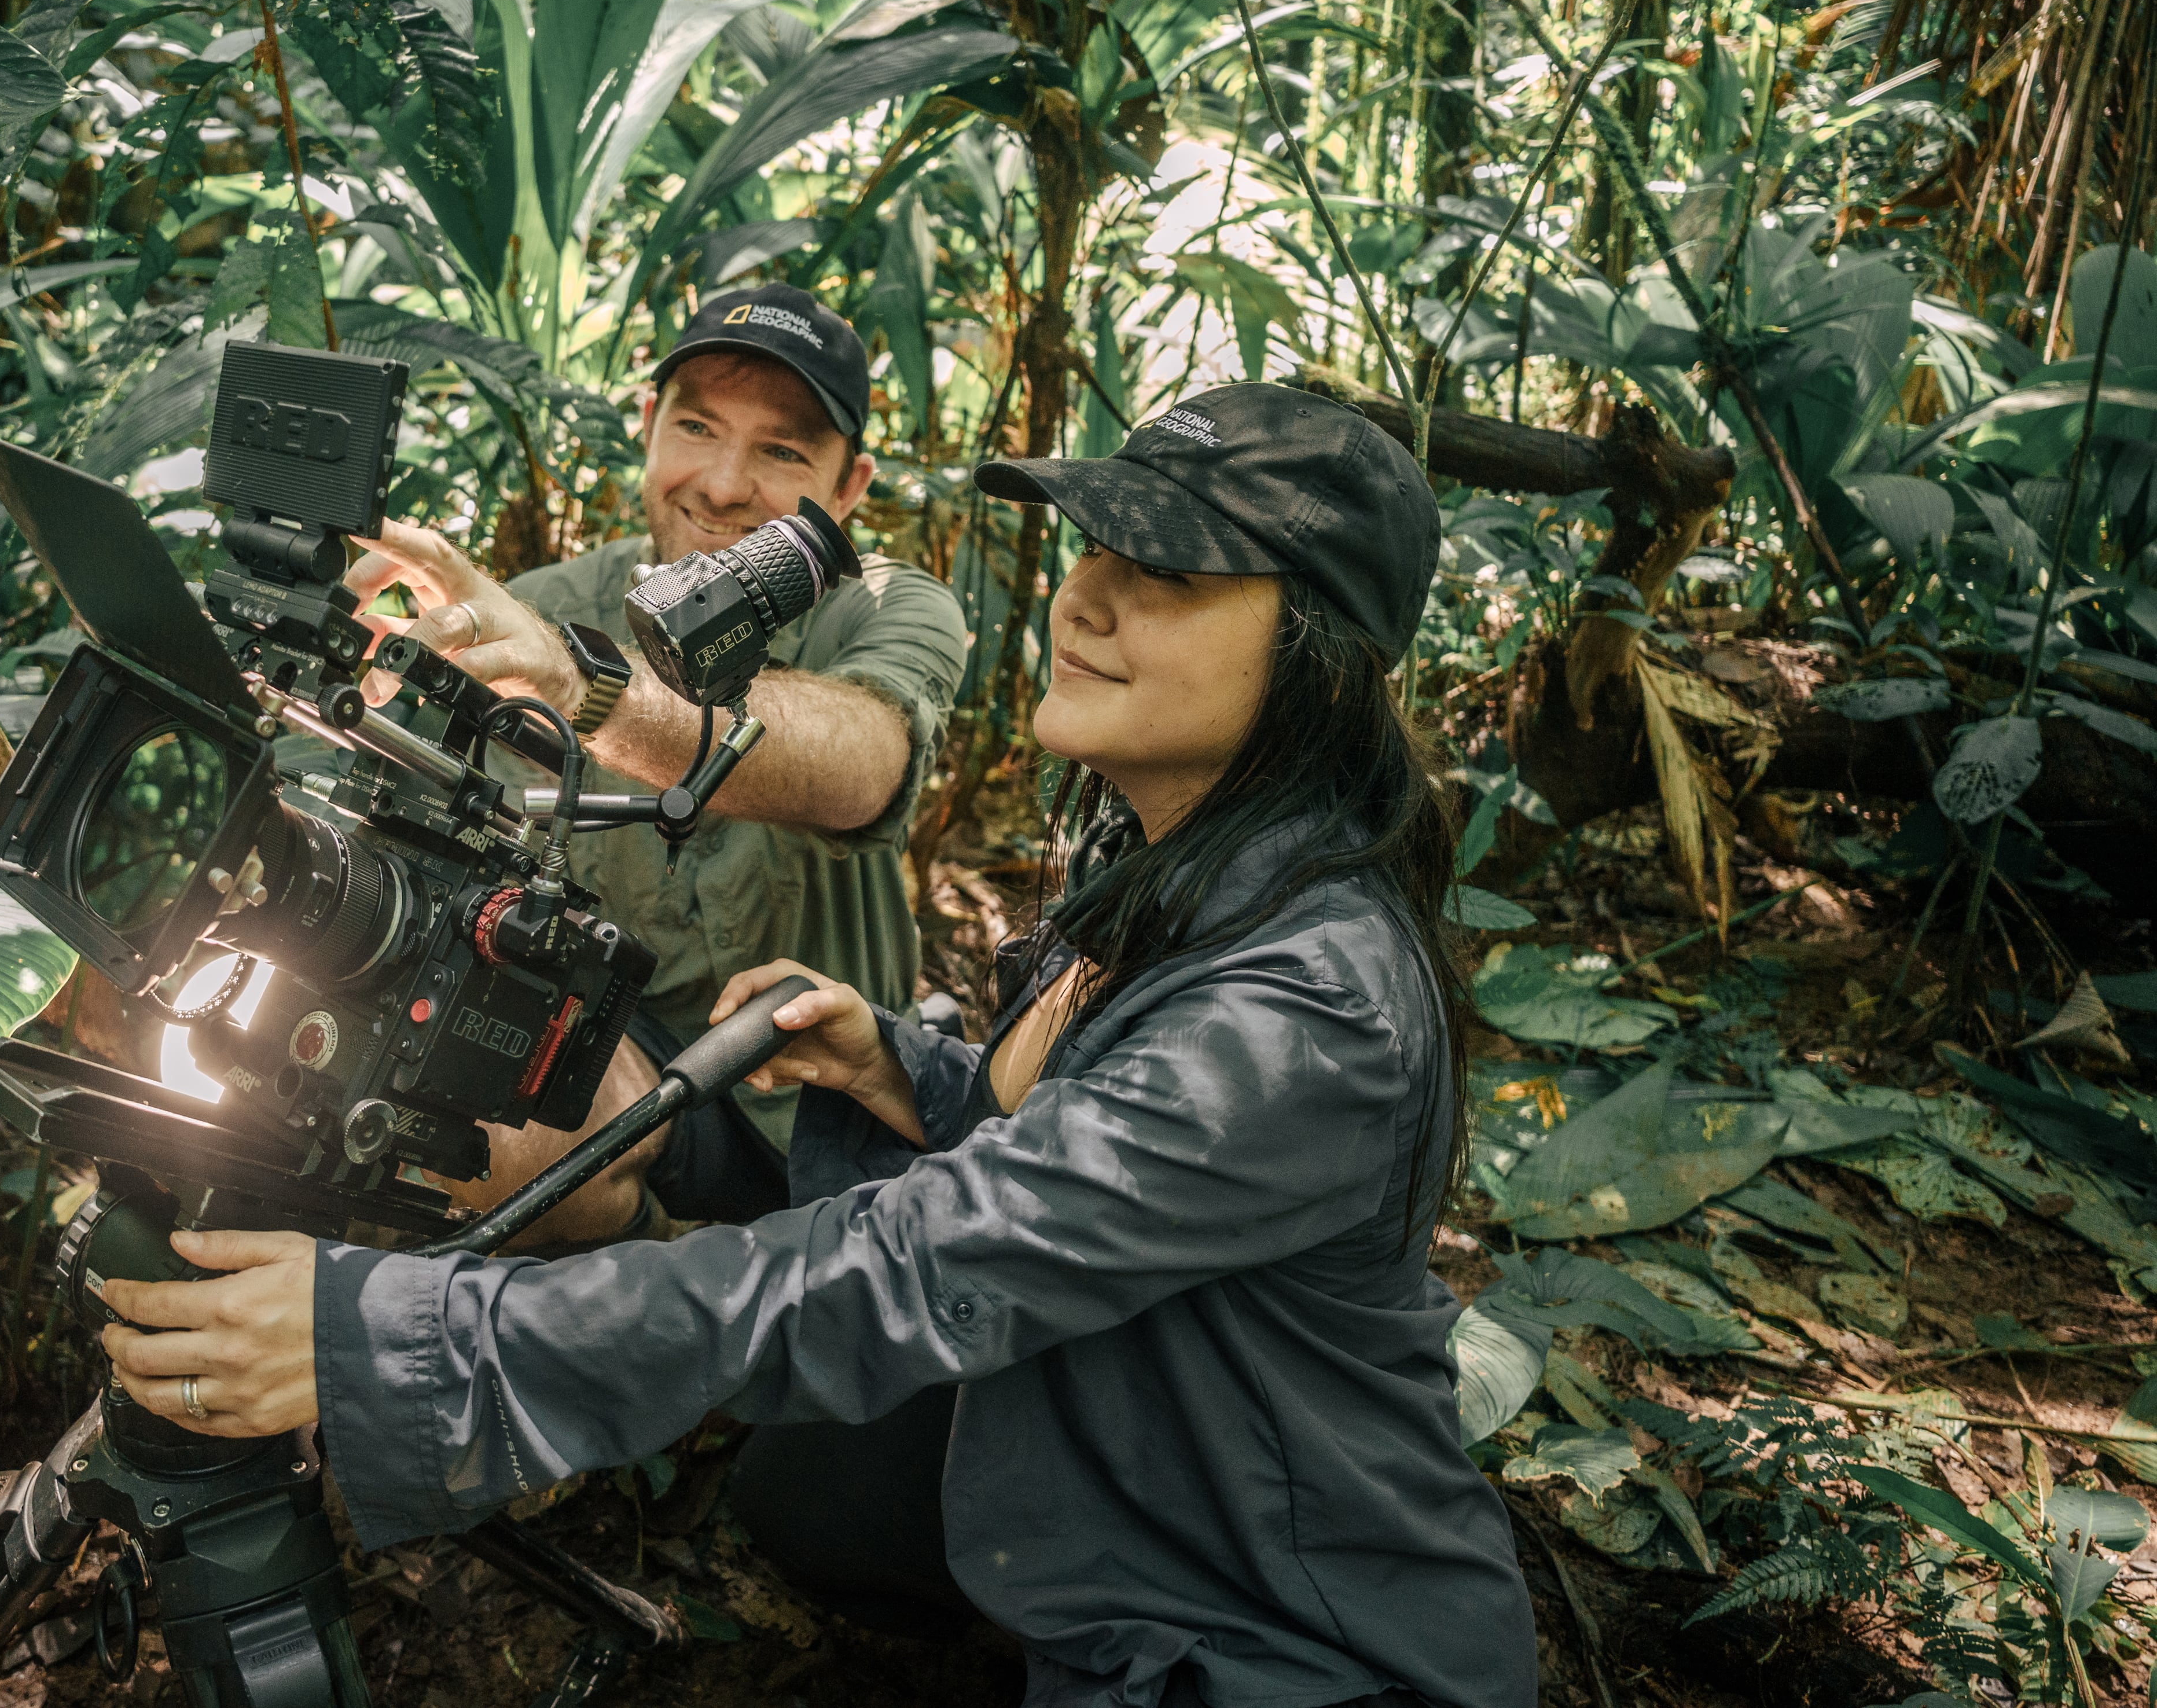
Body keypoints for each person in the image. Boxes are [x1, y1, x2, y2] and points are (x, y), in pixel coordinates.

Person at [93, 384, 1538, 1708]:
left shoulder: (1308, 1004)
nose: (1084, 596)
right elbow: (1108, 1153)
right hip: (1142, 1470)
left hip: (1282, 1639)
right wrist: (911, 1074)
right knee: (812, 1491)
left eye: (1162, 573)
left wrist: (393, 1339)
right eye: (1094, 548)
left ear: (1317, 655)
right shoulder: (1191, 855)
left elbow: (923, 1264)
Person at [339, 284, 969, 1243]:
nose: (722, 483)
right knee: (475, 1141)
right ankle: (668, 1271)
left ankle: (732, 1297)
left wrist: (581, 684)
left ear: (849, 489)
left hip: (825, 1100)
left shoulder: (884, 606)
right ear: (649, 427)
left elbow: (863, 763)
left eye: (783, 451)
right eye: (698, 427)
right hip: (606, 1066)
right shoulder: (546, 604)